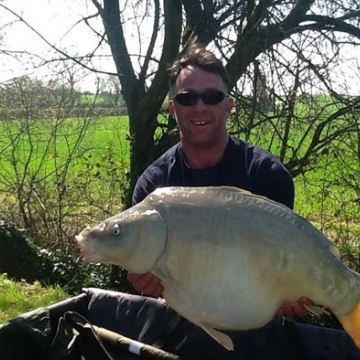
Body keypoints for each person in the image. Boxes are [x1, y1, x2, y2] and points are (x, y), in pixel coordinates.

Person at [128, 42, 312, 318]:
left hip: (254, 321)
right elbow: (149, 273)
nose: (200, 107)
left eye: (212, 97)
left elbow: (280, 266)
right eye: (187, 98)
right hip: (182, 319)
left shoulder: (267, 175)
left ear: (229, 106)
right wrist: (144, 280)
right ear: (173, 109)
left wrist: (286, 297)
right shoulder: (153, 186)